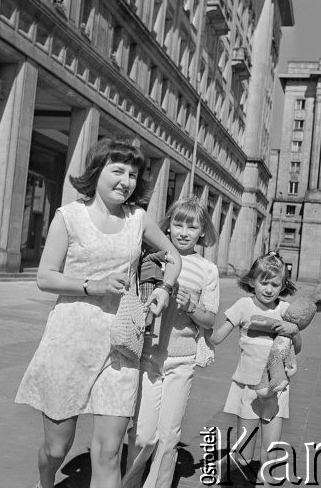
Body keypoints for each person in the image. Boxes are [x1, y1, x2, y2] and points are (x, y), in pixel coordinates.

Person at [15, 138, 182, 488]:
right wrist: (95, 285)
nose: (126, 180)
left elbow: (173, 255)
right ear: (97, 172)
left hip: (121, 344)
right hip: (70, 339)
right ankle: (45, 480)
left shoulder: (138, 219)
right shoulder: (70, 217)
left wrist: (165, 289)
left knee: (108, 453)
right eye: (117, 170)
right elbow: (45, 277)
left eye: (133, 174)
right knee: (57, 448)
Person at [123, 197, 220, 488]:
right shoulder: (152, 257)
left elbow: (210, 319)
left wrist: (191, 305)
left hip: (182, 360)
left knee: (168, 437)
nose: (183, 232)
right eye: (177, 224)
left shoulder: (207, 269)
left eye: (192, 226)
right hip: (148, 358)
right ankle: (130, 483)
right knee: (141, 436)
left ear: (203, 231)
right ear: (167, 225)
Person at [209, 251, 300, 484]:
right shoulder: (243, 305)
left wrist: (295, 331)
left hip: (276, 389)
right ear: (252, 281)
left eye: (275, 284)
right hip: (248, 389)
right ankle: (224, 465)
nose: (269, 289)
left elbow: (296, 348)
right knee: (243, 456)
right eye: (264, 282)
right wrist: (196, 317)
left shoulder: (286, 310)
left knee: (269, 454)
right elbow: (217, 337)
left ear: (283, 286)